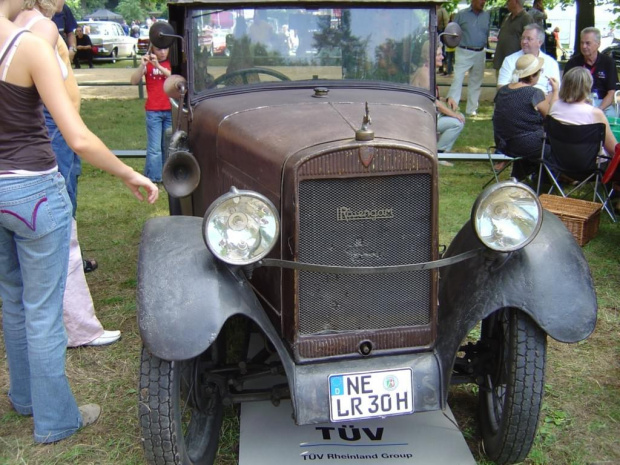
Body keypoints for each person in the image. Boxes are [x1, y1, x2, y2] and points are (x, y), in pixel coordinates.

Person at [0, 0, 158, 445]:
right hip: (33, 192)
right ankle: (55, 420)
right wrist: (128, 172)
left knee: (13, 300)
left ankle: (25, 398)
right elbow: (78, 136)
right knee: (44, 313)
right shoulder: (27, 46)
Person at [15, 0, 122, 348]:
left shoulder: (27, 25)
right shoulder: (40, 28)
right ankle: (77, 327)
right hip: (53, 133)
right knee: (62, 230)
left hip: (52, 133)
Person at [492, 53, 559, 179]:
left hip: (503, 144)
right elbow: (552, 119)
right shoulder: (534, 93)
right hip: (526, 145)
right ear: (533, 75)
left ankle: (522, 176)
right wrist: (555, 91)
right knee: (557, 147)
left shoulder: (503, 91)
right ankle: (544, 179)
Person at [549, 67, 618, 161]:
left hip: (559, 164)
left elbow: (555, 101)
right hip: (590, 168)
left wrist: (555, 90)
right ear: (587, 87)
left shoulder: (555, 107)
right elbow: (613, 151)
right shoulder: (595, 113)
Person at [411, 41, 465, 153]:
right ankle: (439, 154)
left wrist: (447, 99)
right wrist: (454, 115)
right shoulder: (425, 74)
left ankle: (442, 152)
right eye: (439, 54)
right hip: (421, 120)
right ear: (428, 56)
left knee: (459, 117)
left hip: (428, 116)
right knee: (457, 123)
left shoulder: (427, 71)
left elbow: (432, 97)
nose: (442, 57)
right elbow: (434, 102)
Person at [130, 45, 172, 183]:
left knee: (168, 145)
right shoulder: (147, 64)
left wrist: (158, 66)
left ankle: (167, 174)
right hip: (154, 110)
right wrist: (142, 66)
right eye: (159, 49)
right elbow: (133, 81)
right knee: (155, 147)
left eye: (165, 49)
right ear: (153, 49)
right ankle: (155, 177)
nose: (163, 52)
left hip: (169, 109)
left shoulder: (170, 64)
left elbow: (173, 78)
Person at [445, 0, 490, 117]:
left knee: (476, 82)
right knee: (457, 79)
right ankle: (452, 106)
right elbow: (452, 31)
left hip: (480, 52)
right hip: (463, 51)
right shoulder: (461, 14)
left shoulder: (487, 15)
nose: (483, 2)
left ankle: (472, 109)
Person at [563, 27, 619, 119]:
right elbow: (566, 89)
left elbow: (611, 92)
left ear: (598, 44)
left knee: (612, 117)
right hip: (577, 101)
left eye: (588, 43)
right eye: (582, 43)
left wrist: (599, 110)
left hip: (602, 102)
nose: (584, 46)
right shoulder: (573, 63)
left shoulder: (608, 63)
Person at [497, 24, 560, 94]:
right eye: (523, 38)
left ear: (540, 42)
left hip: (544, 101)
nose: (524, 42)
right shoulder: (509, 60)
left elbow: (555, 91)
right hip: (516, 101)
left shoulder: (551, 63)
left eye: (529, 39)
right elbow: (501, 88)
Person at [492, 0, 532, 76]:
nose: (507, 3)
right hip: (501, 62)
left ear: (515, 1)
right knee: (500, 86)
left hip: (515, 65)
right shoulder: (507, 17)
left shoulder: (526, 18)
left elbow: (529, 41)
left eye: (508, 1)